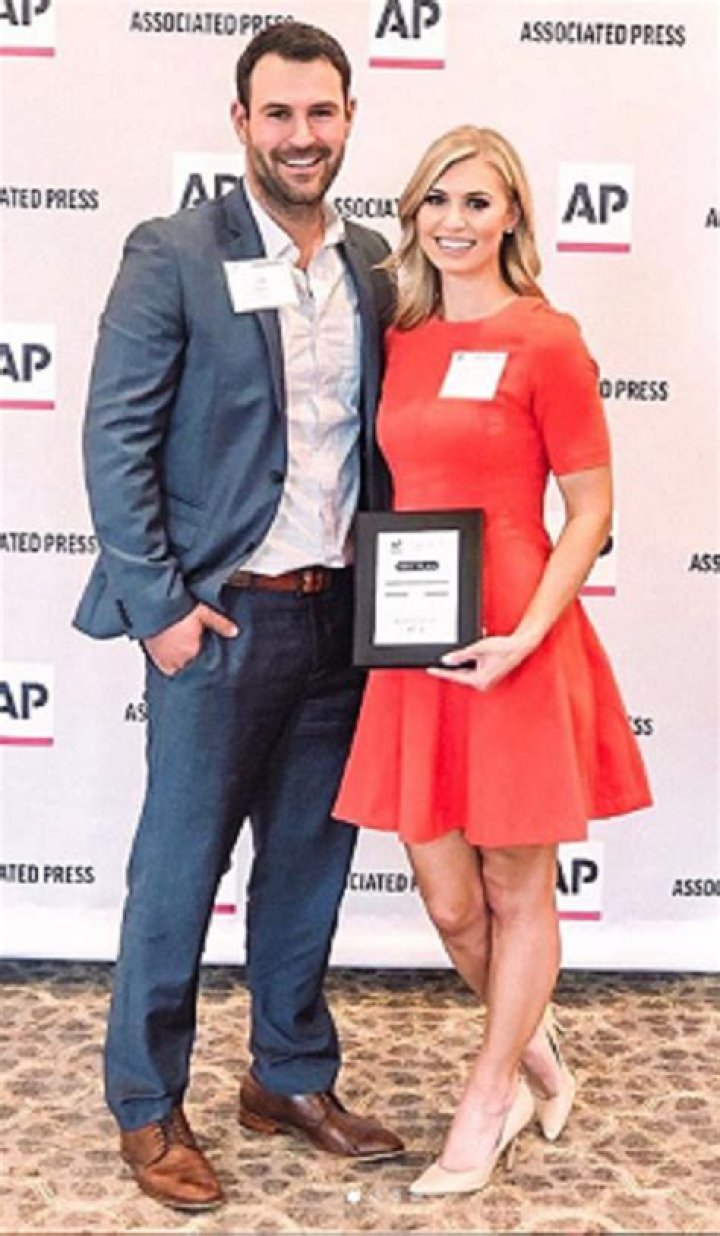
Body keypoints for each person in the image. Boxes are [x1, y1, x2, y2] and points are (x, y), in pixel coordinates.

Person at [74, 21, 403, 1213]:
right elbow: (116, 439)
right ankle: (147, 1106)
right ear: (241, 123)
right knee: (177, 875)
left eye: (321, 113)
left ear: (349, 119)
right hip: (219, 625)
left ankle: (288, 1077)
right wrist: (161, 609)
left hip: (339, 621)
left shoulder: (375, 262)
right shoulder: (173, 252)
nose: (301, 136)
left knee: (311, 868)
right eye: (279, 114)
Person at [335, 125, 652, 1197]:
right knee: (449, 898)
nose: (454, 221)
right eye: (437, 200)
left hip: (517, 631)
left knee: (518, 883)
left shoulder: (546, 338)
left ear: (513, 214)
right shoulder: (401, 333)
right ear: (413, 213)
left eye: (477, 201)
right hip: (415, 635)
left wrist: (528, 632)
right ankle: (534, 1057)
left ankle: (486, 1097)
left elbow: (591, 505)